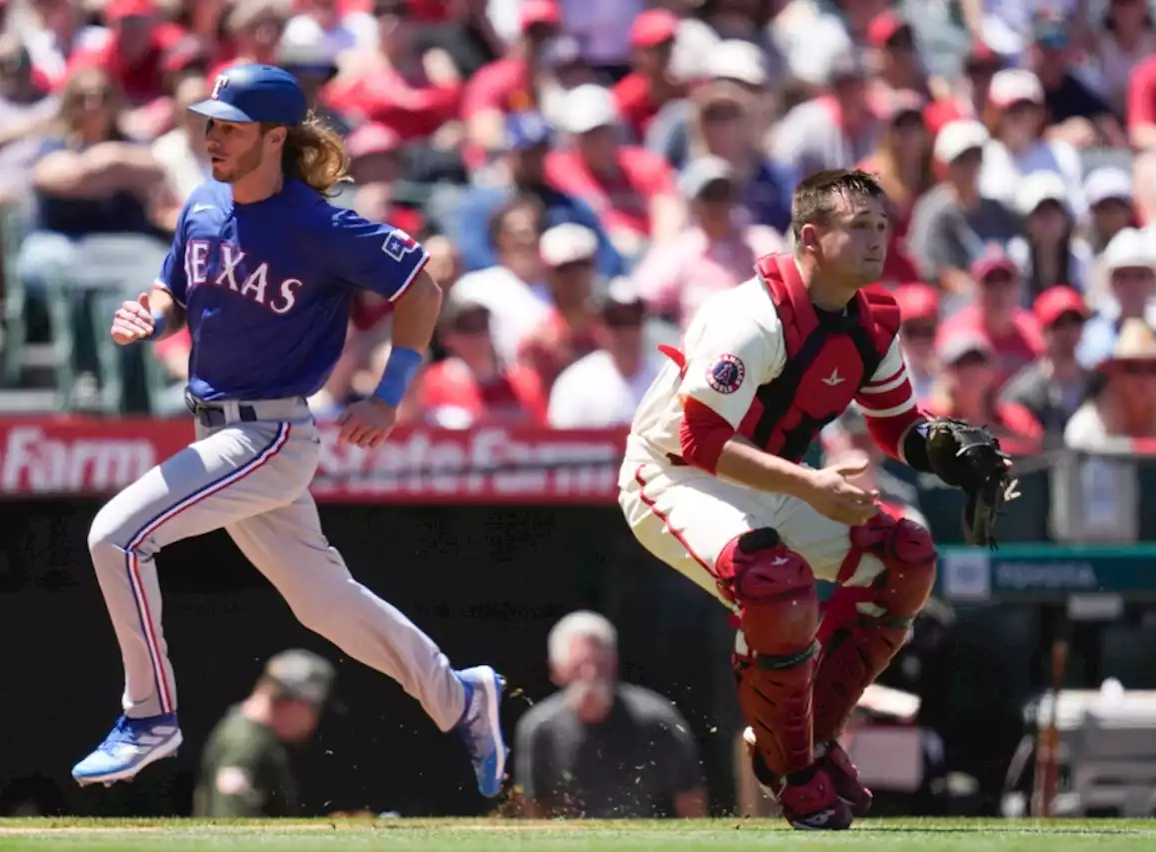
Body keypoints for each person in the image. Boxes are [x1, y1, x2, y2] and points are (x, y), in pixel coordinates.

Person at [70, 65, 507, 800]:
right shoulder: (203, 204)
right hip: (220, 430)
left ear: (276, 137)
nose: (213, 138)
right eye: (211, 123)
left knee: (115, 536)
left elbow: (419, 286)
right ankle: (459, 697)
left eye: (231, 128)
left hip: (267, 436)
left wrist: (390, 392)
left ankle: (148, 716)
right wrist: (152, 313)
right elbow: (174, 288)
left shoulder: (317, 223)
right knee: (323, 602)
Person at [616, 170, 1009, 830]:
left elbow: (896, 424)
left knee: (905, 553)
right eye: (858, 227)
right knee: (777, 584)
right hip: (675, 474)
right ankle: (795, 774)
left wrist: (944, 446)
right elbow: (703, 440)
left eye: (882, 226)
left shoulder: (873, 320)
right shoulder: (750, 317)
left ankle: (806, 748)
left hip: (777, 479)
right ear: (810, 237)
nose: (876, 240)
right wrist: (811, 486)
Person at [513, 611, 707, 819]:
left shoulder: (658, 721)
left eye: (600, 664)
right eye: (579, 666)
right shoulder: (539, 728)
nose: (590, 675)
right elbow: (534, 809)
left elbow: (690, 800)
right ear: (557, 670)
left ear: (614, 664)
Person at [194, 649, 335, 817]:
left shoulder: (254, 735)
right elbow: (230, 826)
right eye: (315, 708)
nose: (314, 719)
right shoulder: (245, 742)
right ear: (296, 703)